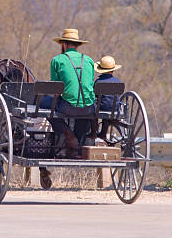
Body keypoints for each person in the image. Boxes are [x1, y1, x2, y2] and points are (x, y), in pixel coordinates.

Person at [40, 28, 95, 156]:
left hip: (68, 107)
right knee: (84, 106)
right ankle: (77, 142)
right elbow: (89, 85)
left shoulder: (57, 60)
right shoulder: (89, 61)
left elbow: (55, 88)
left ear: (63, 44)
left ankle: (68, 134)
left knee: (43, 103)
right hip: (89, 108)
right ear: (78, 45)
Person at [92, 55, 122, 138]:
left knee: (93, 107)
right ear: (112, 71)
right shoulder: (117, 81)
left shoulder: (98, 81)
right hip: (114, 108)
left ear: (101, 71)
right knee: (108, 106)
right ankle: (103, 133)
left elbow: (94, 95)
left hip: (100, 108)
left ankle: (93, 132)